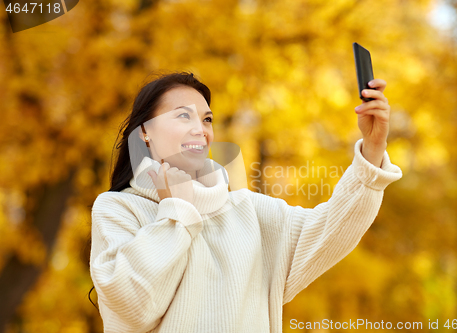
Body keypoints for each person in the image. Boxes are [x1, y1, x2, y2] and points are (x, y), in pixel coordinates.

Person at [88, 71, 403, 333]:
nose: (201, 130)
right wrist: (178, 213)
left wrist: (372, 150)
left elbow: (332, 228)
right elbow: (133, 308)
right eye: (183, 116)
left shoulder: (248, 211)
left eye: (207, 119)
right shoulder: (118, 209)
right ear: (145, 132)